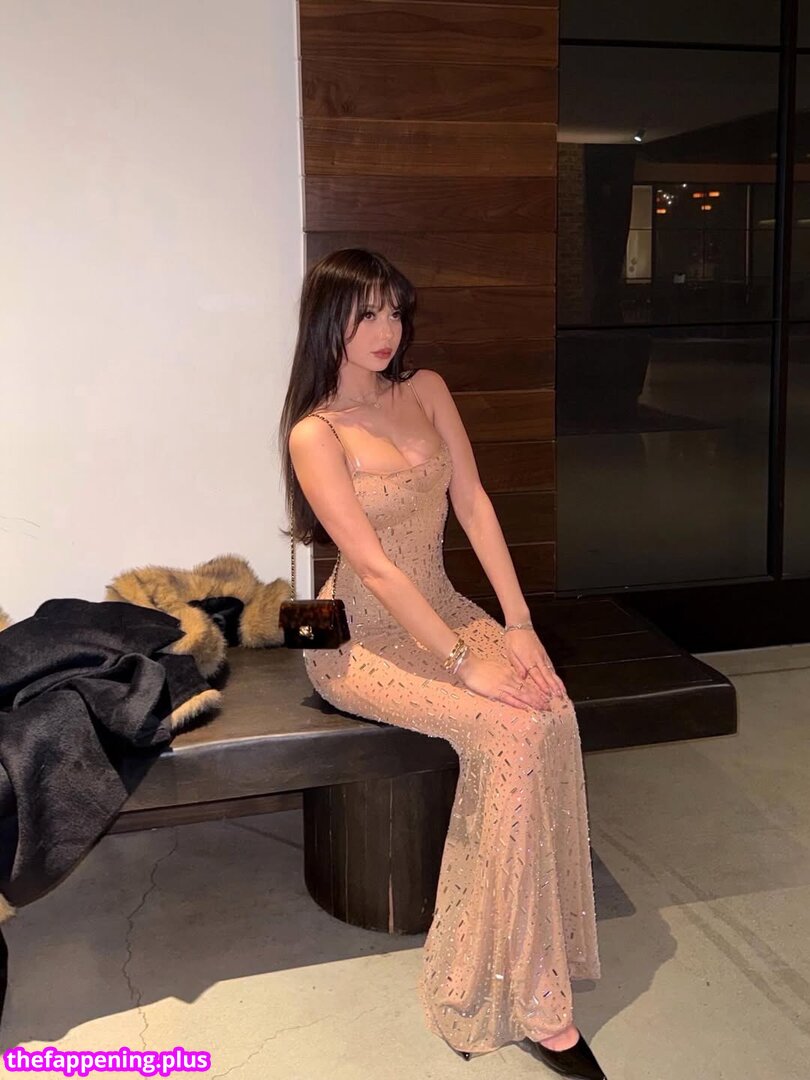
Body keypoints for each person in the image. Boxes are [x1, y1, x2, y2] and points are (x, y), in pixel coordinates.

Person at [278, 249, 606, 1079]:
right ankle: (520, 994)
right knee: (508, 731)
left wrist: (518, 626)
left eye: (395, 310)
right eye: (366, 313)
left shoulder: (425, 389)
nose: (385, 330)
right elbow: (375, 568)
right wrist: (466, 664)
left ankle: (540, 943)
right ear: (328, 318)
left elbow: (475, 502)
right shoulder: (315, 433)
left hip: (444, 607)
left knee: (551, 705)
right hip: (356, 637)